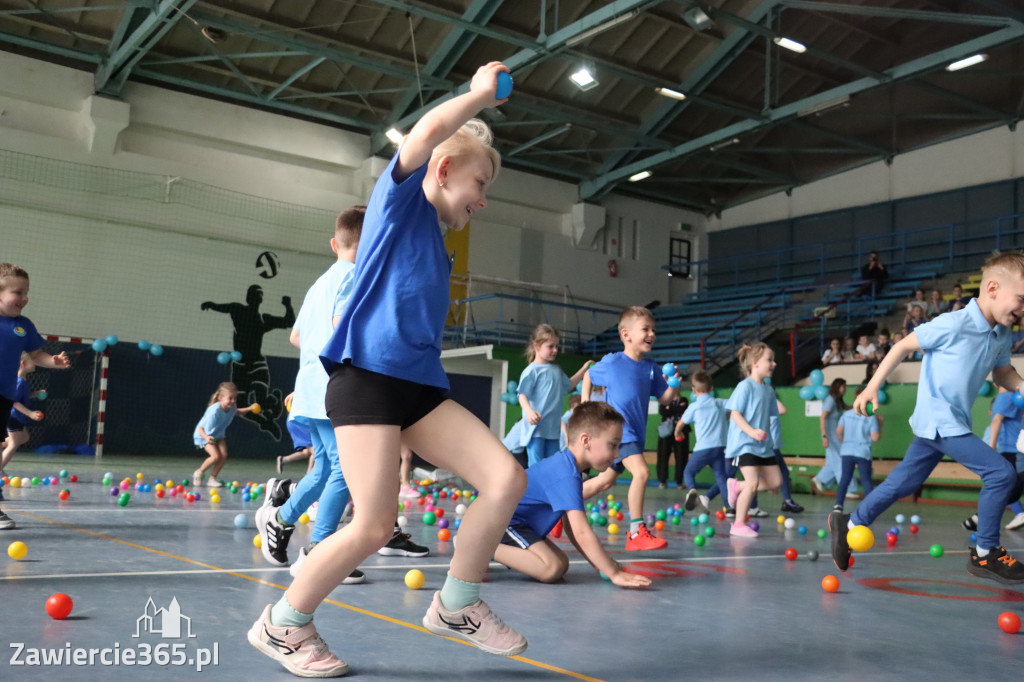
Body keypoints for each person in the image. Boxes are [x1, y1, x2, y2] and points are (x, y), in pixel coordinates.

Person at [248, 62, 528, 677]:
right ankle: (282, 624)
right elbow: (425, 133)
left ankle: (457, 603)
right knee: (374, 523)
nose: (482, 199)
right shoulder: (398, 204)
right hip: (366, 378)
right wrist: (478, 95)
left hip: (418, 388)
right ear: (444, 170)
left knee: (506, 478)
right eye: (479, 182)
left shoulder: (435, 233)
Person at [832, 252, 1024, 584]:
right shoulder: (953, 323)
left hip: (951, 422)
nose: (1023, 309)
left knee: (902, 483)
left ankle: (848, 524)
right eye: (1021, 299)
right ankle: (984, 552)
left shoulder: (1002, 334)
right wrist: (872, 387)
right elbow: (901, 346)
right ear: (992, 287)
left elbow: (1003, 373)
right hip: (939, 418)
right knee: (1002, 475)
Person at [493, 401, 651, 589]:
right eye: (613, 445)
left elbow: (571, 528)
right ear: (586, 441)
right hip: (503, 521)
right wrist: (614, 573)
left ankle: (486, 544)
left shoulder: (569, 467)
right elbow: (582, 532)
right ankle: (481, 546)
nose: (617, 454)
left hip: (520, 525)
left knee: (561, 564)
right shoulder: (566, 474)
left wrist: (602, 565)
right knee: (551, 568)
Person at [579, 306, 680, 551]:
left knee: (604, 482)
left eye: (653, 330)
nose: (652, 334)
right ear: (626, 335)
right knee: (642, 473)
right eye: (645, 329)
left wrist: (675, 384)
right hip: (620, 431)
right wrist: (584, 404)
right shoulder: (613, 362)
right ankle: (635, 532)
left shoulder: (651, 368)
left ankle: (555, 507)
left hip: (636, 433)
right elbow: (589, 376)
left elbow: (665, 399)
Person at [0, 263, 70, 530]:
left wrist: (54, 361)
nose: (25, 298)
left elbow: (37, 354)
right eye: (18, 292)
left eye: (27, 292)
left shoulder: (23, 326)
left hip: (4, 397)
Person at [723, 343, 782, 537]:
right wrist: (752, 432)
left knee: (775, 481)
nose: (773, 363)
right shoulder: (744, 386)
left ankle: (736, 486)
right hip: (744, 444)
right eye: (769, 360)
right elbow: (735, 414)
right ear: (755, 363)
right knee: (752, 482)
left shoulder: (769, 390)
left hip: (763, 446)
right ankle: (738, 525)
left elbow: (768, 416)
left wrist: (765, 436)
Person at [516, 324, 589, 467]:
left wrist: (584, 369)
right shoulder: (532, 371)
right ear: (536, 346)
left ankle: (548, 489)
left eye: (557, 346)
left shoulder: (556, 370)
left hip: (552, 430)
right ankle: (535, 489)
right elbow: (522, 395)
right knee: (536, 465)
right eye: (550, 346)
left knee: (553, 465)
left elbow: (569, 385)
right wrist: (529, 412)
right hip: (536, 429)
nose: (555, 350)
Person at [681, 370, 730, 515]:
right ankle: (729, 508)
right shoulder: (720, 403)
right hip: (720, 448)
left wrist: (678, 433)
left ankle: (692, 490)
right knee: (721, 477)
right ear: (711, 389)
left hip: (702, 449)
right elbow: (736, 409)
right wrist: (724, 417)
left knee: (688, 472)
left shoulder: (694, 406)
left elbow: (681, 423)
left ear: (693, 390)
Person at [192, 381, 257, 487]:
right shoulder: (214, 412)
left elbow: (236, 412)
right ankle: (198, 473)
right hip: (204, 436)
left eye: (235, 398)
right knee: (215, 456)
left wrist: (249, 409)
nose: (233, 401)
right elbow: (200, 428)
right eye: (230, 398)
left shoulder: (232, 407)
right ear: (221, 398)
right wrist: (206, 437)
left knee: (224, 455)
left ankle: (212, 479)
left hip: (218, 435)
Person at [833, 386, 881, 512]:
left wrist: (846, 444)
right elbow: (875, 437)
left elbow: (838, 432)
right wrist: (880, 424)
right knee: (866, 480)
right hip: (863, 452)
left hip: (847, 451)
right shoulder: (871, 417)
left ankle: (838, 505)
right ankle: (870, 508)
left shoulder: (846, 414)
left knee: (845, 479)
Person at [1, 353, 43, 474]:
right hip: (13, 416)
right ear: (23, 364)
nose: (35, 363)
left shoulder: (23, 382)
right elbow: (13, 401)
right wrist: (30, 413)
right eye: (32, 361)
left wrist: (35, 394)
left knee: (24, 437)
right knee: (14, 444)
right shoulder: (19, 382)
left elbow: (20, 397)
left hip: (16, 417)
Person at [811, 379, 848, 496]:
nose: (845, 389)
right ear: (837, 387)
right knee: (840, 462)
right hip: (830, 436)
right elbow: (822, 418)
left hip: (837, 436)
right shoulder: (830, 400)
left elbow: (847, 407)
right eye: (843, 386)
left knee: (833, 463)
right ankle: (846, 489)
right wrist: (824, 436)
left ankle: (818, 479)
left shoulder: (838, 401)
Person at [770, 394, 804, 513]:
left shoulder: (769, 408)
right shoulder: (769, 408)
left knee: (784, 473)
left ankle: (787, 501)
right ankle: (750, 505)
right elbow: (783, 409)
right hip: (771, 447)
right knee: (758, 478)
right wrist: (770, 395)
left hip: (773, 447)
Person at [656, 394, 689, 489]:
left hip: (681, 432)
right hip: (666, 432)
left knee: (681, 456)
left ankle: (679, 481)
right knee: (663, 455)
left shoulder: (684, 399)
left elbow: (683, 411)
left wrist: (670, 408)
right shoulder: (664, 399)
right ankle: (662, 480)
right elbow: (662, 411)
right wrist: (675, 408)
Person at [278, 394, 314, 476]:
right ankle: (309, 475)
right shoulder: (303, 392)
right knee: (316, 450)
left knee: (307, 452)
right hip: (298, 421)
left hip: (293, 421)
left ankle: (284, 460)